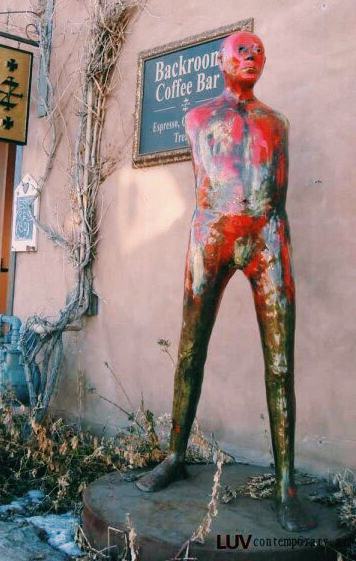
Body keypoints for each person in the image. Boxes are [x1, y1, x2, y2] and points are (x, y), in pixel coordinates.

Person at [136, 31, 315, 532]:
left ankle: (285, 485)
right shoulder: (197, 117)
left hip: (267, 236)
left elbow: (278, 189)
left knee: (280, 363)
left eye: (259, 51)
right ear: (221, 61)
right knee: (191, 348)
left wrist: (271, 237)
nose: (252, 56)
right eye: (242, 50)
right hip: (210, 234)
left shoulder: (277, 122)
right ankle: (175, 455)